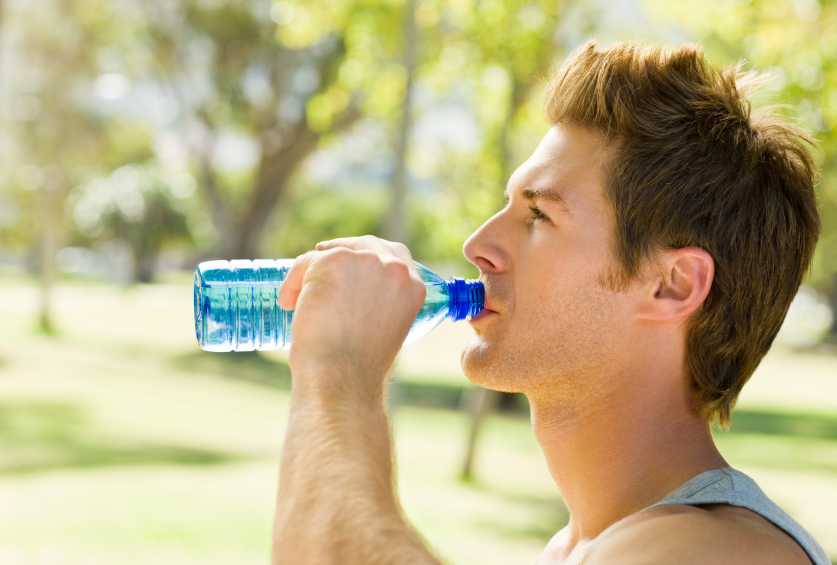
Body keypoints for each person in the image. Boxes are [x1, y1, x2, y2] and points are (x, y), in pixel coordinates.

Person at [270, 40, 829, 565]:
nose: (477, 246)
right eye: (507, 206)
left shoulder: (721, 551)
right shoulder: (583, 546)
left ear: (672, 285)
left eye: (539, 215)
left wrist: (338, 369)